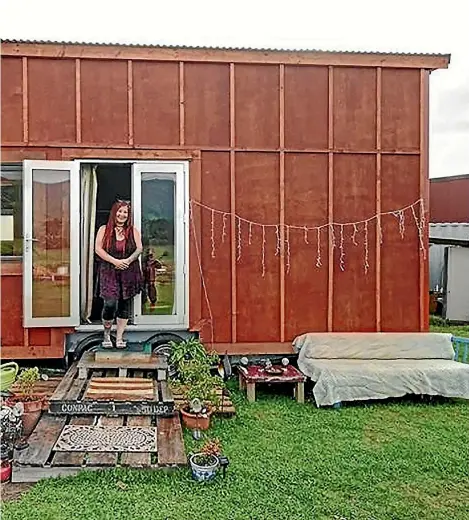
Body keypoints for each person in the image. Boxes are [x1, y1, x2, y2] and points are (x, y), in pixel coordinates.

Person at [95, 200, 143, 348]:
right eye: (120, 211)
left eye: (125, 213)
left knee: (124, 304)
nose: (122, 215)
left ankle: (120, 338)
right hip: (109, 271)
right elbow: (98, 249)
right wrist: (115, 261)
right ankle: (107, 335)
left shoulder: (132, 230)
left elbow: (139, 248)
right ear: (114, 213)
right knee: (110, 303)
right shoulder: (104, 229)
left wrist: (128, 260)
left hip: (128, 271)